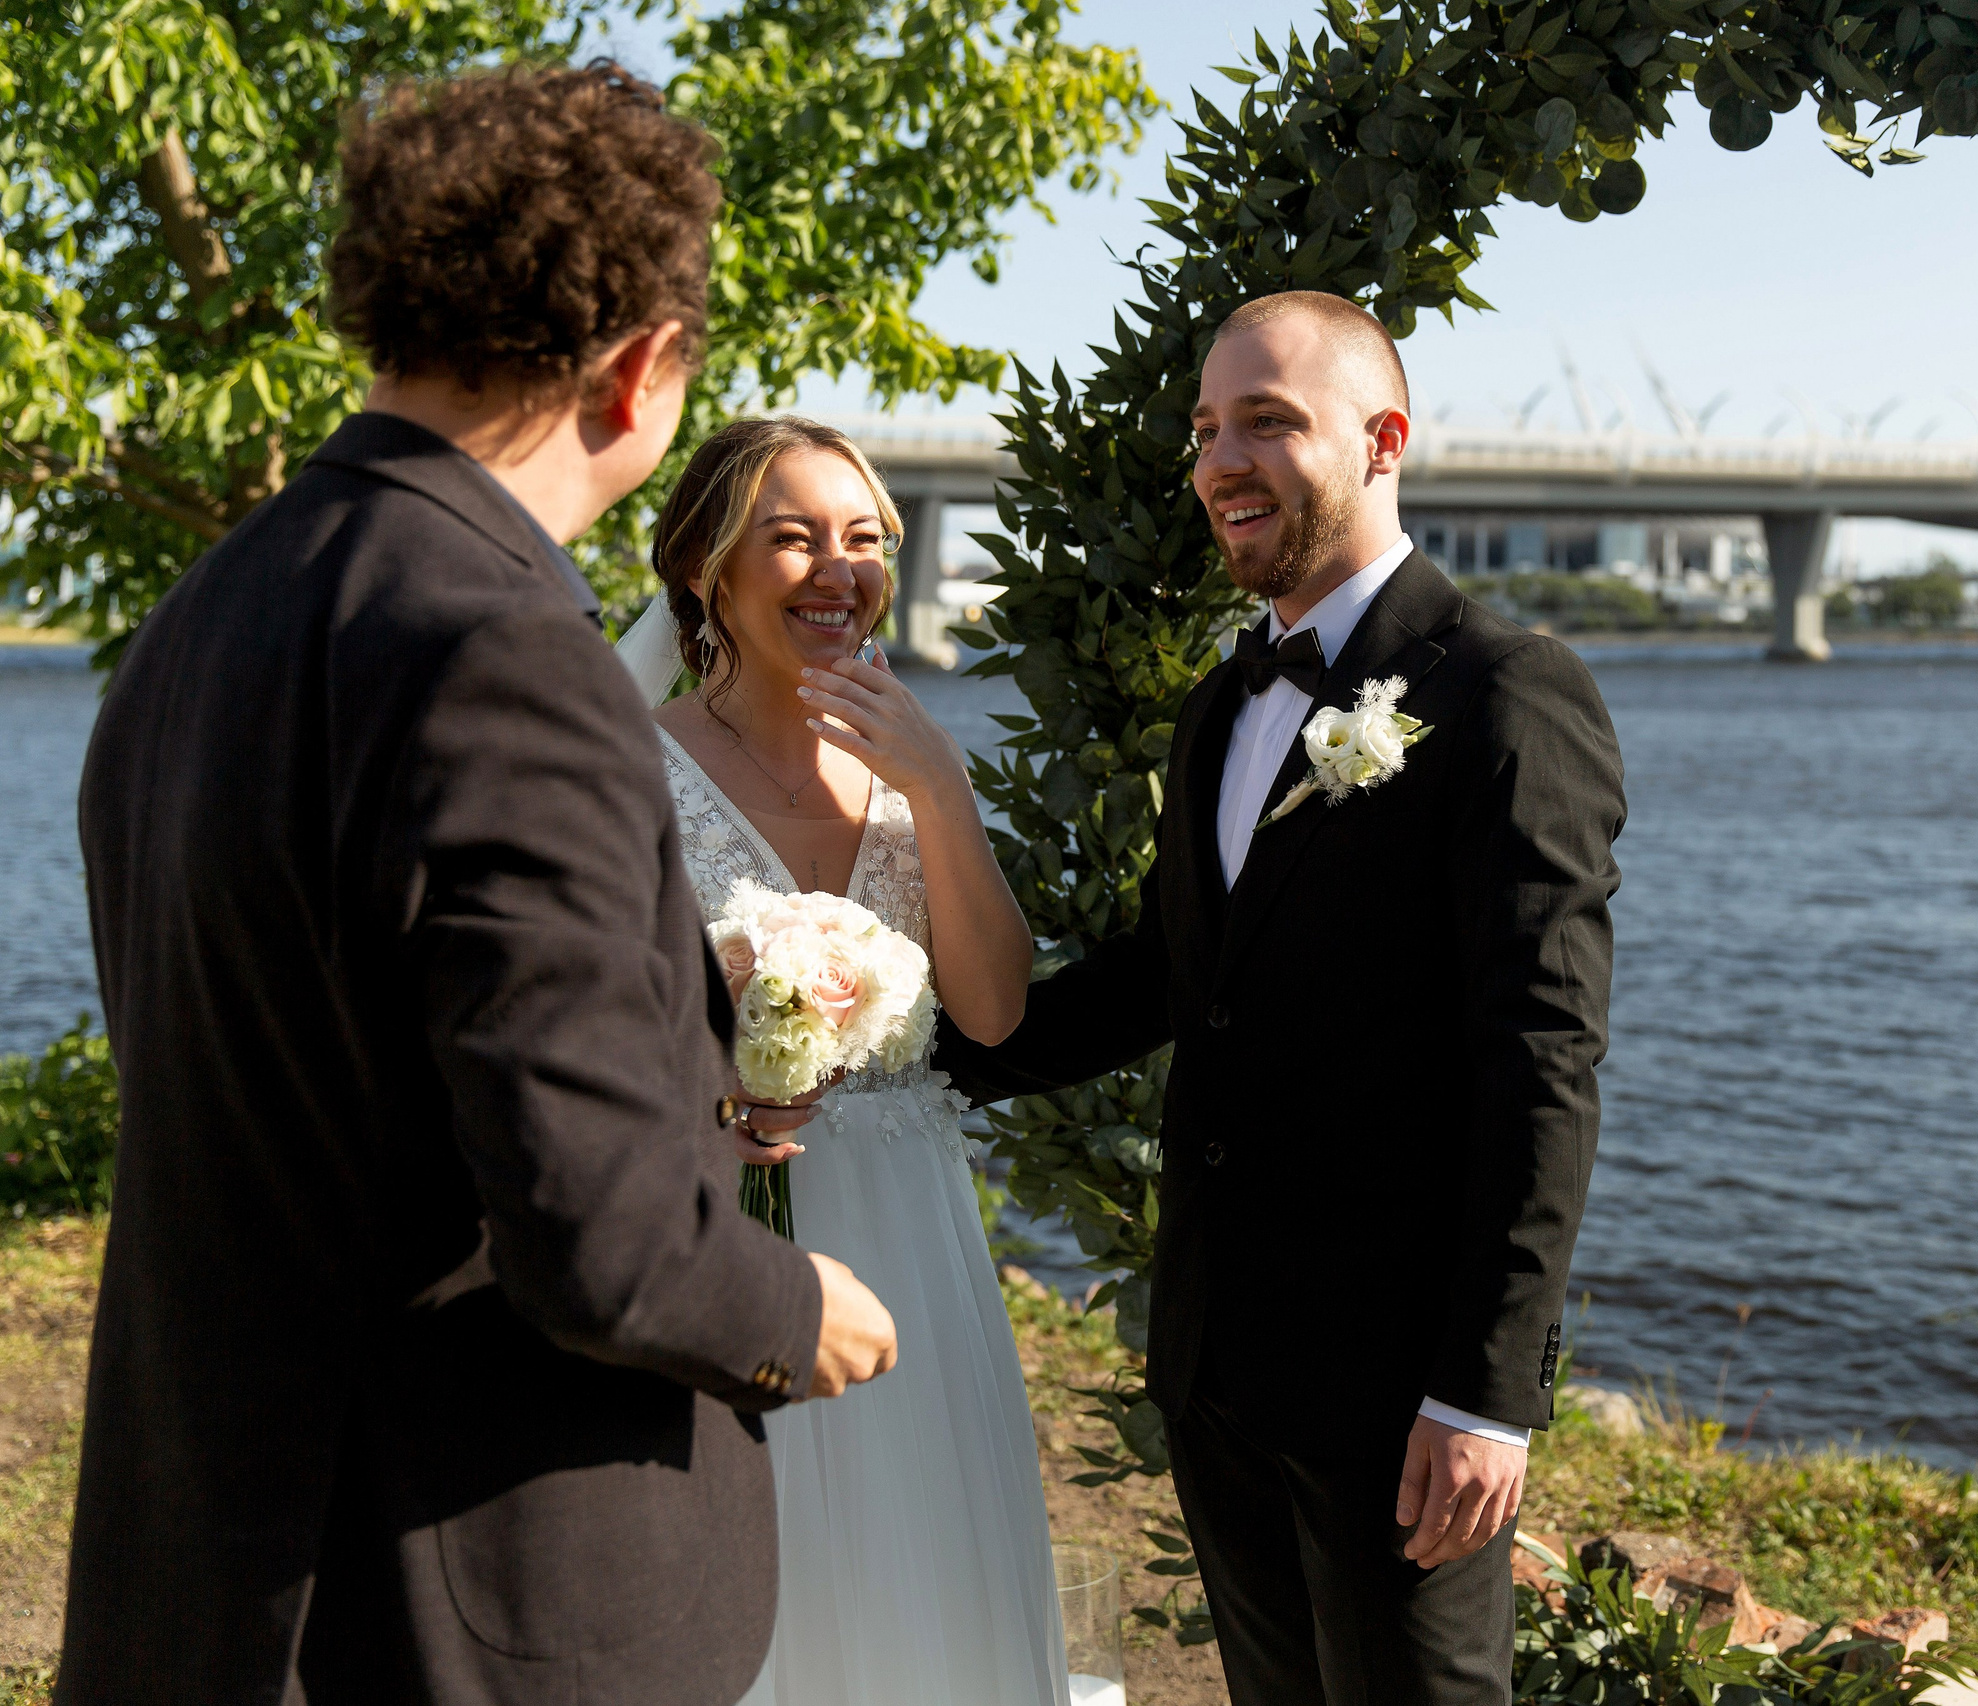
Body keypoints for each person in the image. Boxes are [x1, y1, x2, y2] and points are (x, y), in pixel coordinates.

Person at [63, 65, 894, 1706]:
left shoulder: (196, 622)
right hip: (455, 1609)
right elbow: (603, 1239)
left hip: (208, 1579)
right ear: (645, 370)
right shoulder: (509, 653)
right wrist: (796, 1302)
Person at [931, 290, 1627, 1705]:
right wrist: (914, 1056)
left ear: (1384, 440)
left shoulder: (1507, 694)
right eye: (1204, 428)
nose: (1219, 461)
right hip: (1220, 1363)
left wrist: (1488, 1389)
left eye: (1268, 421)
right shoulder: (1219, 711)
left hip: (1397, 1392)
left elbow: (1540, 1062)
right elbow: (1169, 979)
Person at [623, 415, 1069, 1705]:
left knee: (928, 1585)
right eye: (794, 538)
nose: (840, 569)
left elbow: (990, 1012)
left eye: (865, 538)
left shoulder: (911, 765)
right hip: (726, 1228)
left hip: (912, 1245)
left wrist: (938, 788)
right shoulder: (631, 767)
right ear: (708, 567)